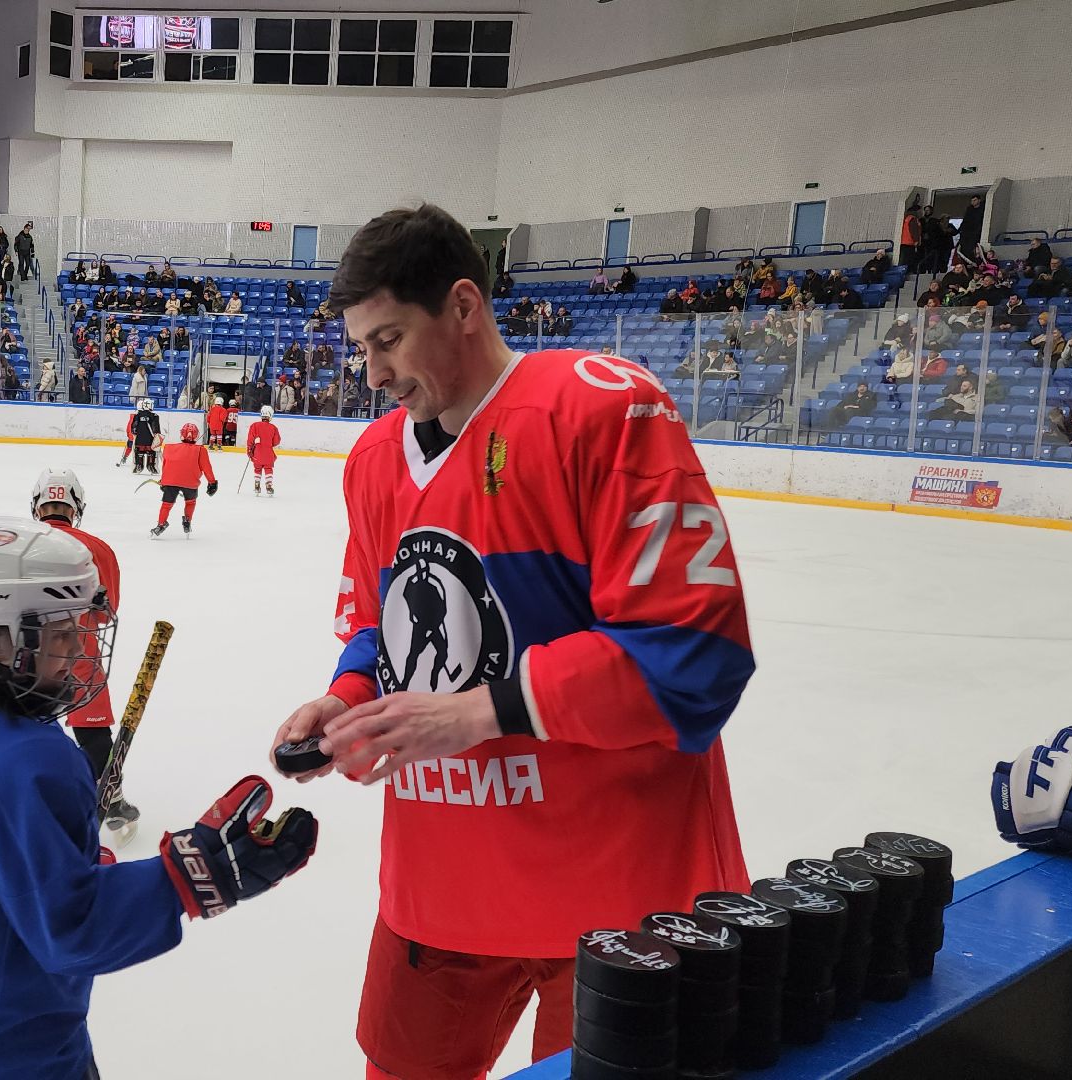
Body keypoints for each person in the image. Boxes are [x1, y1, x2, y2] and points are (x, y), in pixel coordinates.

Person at [270, 205, 754, 1077]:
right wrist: (348, 700)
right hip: (439, 887)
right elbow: (381, 626)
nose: (372, 373)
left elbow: (694, 654)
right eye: (361, 347)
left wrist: (474, 714)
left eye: (389, 340)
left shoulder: (601, 408)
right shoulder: (373, 460)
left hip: (617, 895)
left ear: (464, 306)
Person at [0, 518, 317, 1079]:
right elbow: (71, 929)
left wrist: (57, 859)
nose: (79, 646)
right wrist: (190, 876)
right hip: (9, 1052)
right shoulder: (28, 760)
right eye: (60, 632)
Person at [29, 468, 138, 828]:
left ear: (37, 504)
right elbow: (108, 612)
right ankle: (111, 801)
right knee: (92, 728)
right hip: (79, 653)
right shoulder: (98, 548)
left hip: (22, 657)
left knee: (24, 723)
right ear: (76, 505)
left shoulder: (19, 541)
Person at [150, 422, 216, 537]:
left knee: (166, 504)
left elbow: (166, 466)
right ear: (196, 436)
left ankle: (160, 524)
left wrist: (164, 481)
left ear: (182, 434)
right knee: (190, 502)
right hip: (191, 483)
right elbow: (207, 468)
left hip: (171, 481)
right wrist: (212, 483)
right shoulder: (201, 450)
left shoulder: (169, 448)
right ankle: (187, 521)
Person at [246, 403, 281, 496]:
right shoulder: (273, 428)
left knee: (257, 469)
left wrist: (249, 450)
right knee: (268, 469)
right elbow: (276, 441)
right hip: (268, 454)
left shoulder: (254, 425)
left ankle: (257, 486)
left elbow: (250, 440)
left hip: (257, 453)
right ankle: (269, 486)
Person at [126, 397, 161, 473]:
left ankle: (138, 465)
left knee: (138, 452)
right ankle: (151, 466)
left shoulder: (137, 415)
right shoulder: (154, 416)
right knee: (151, 453)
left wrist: (135, 434)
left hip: (139, 440)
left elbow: (134, 428)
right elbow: (156, 429)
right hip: (150, 441)